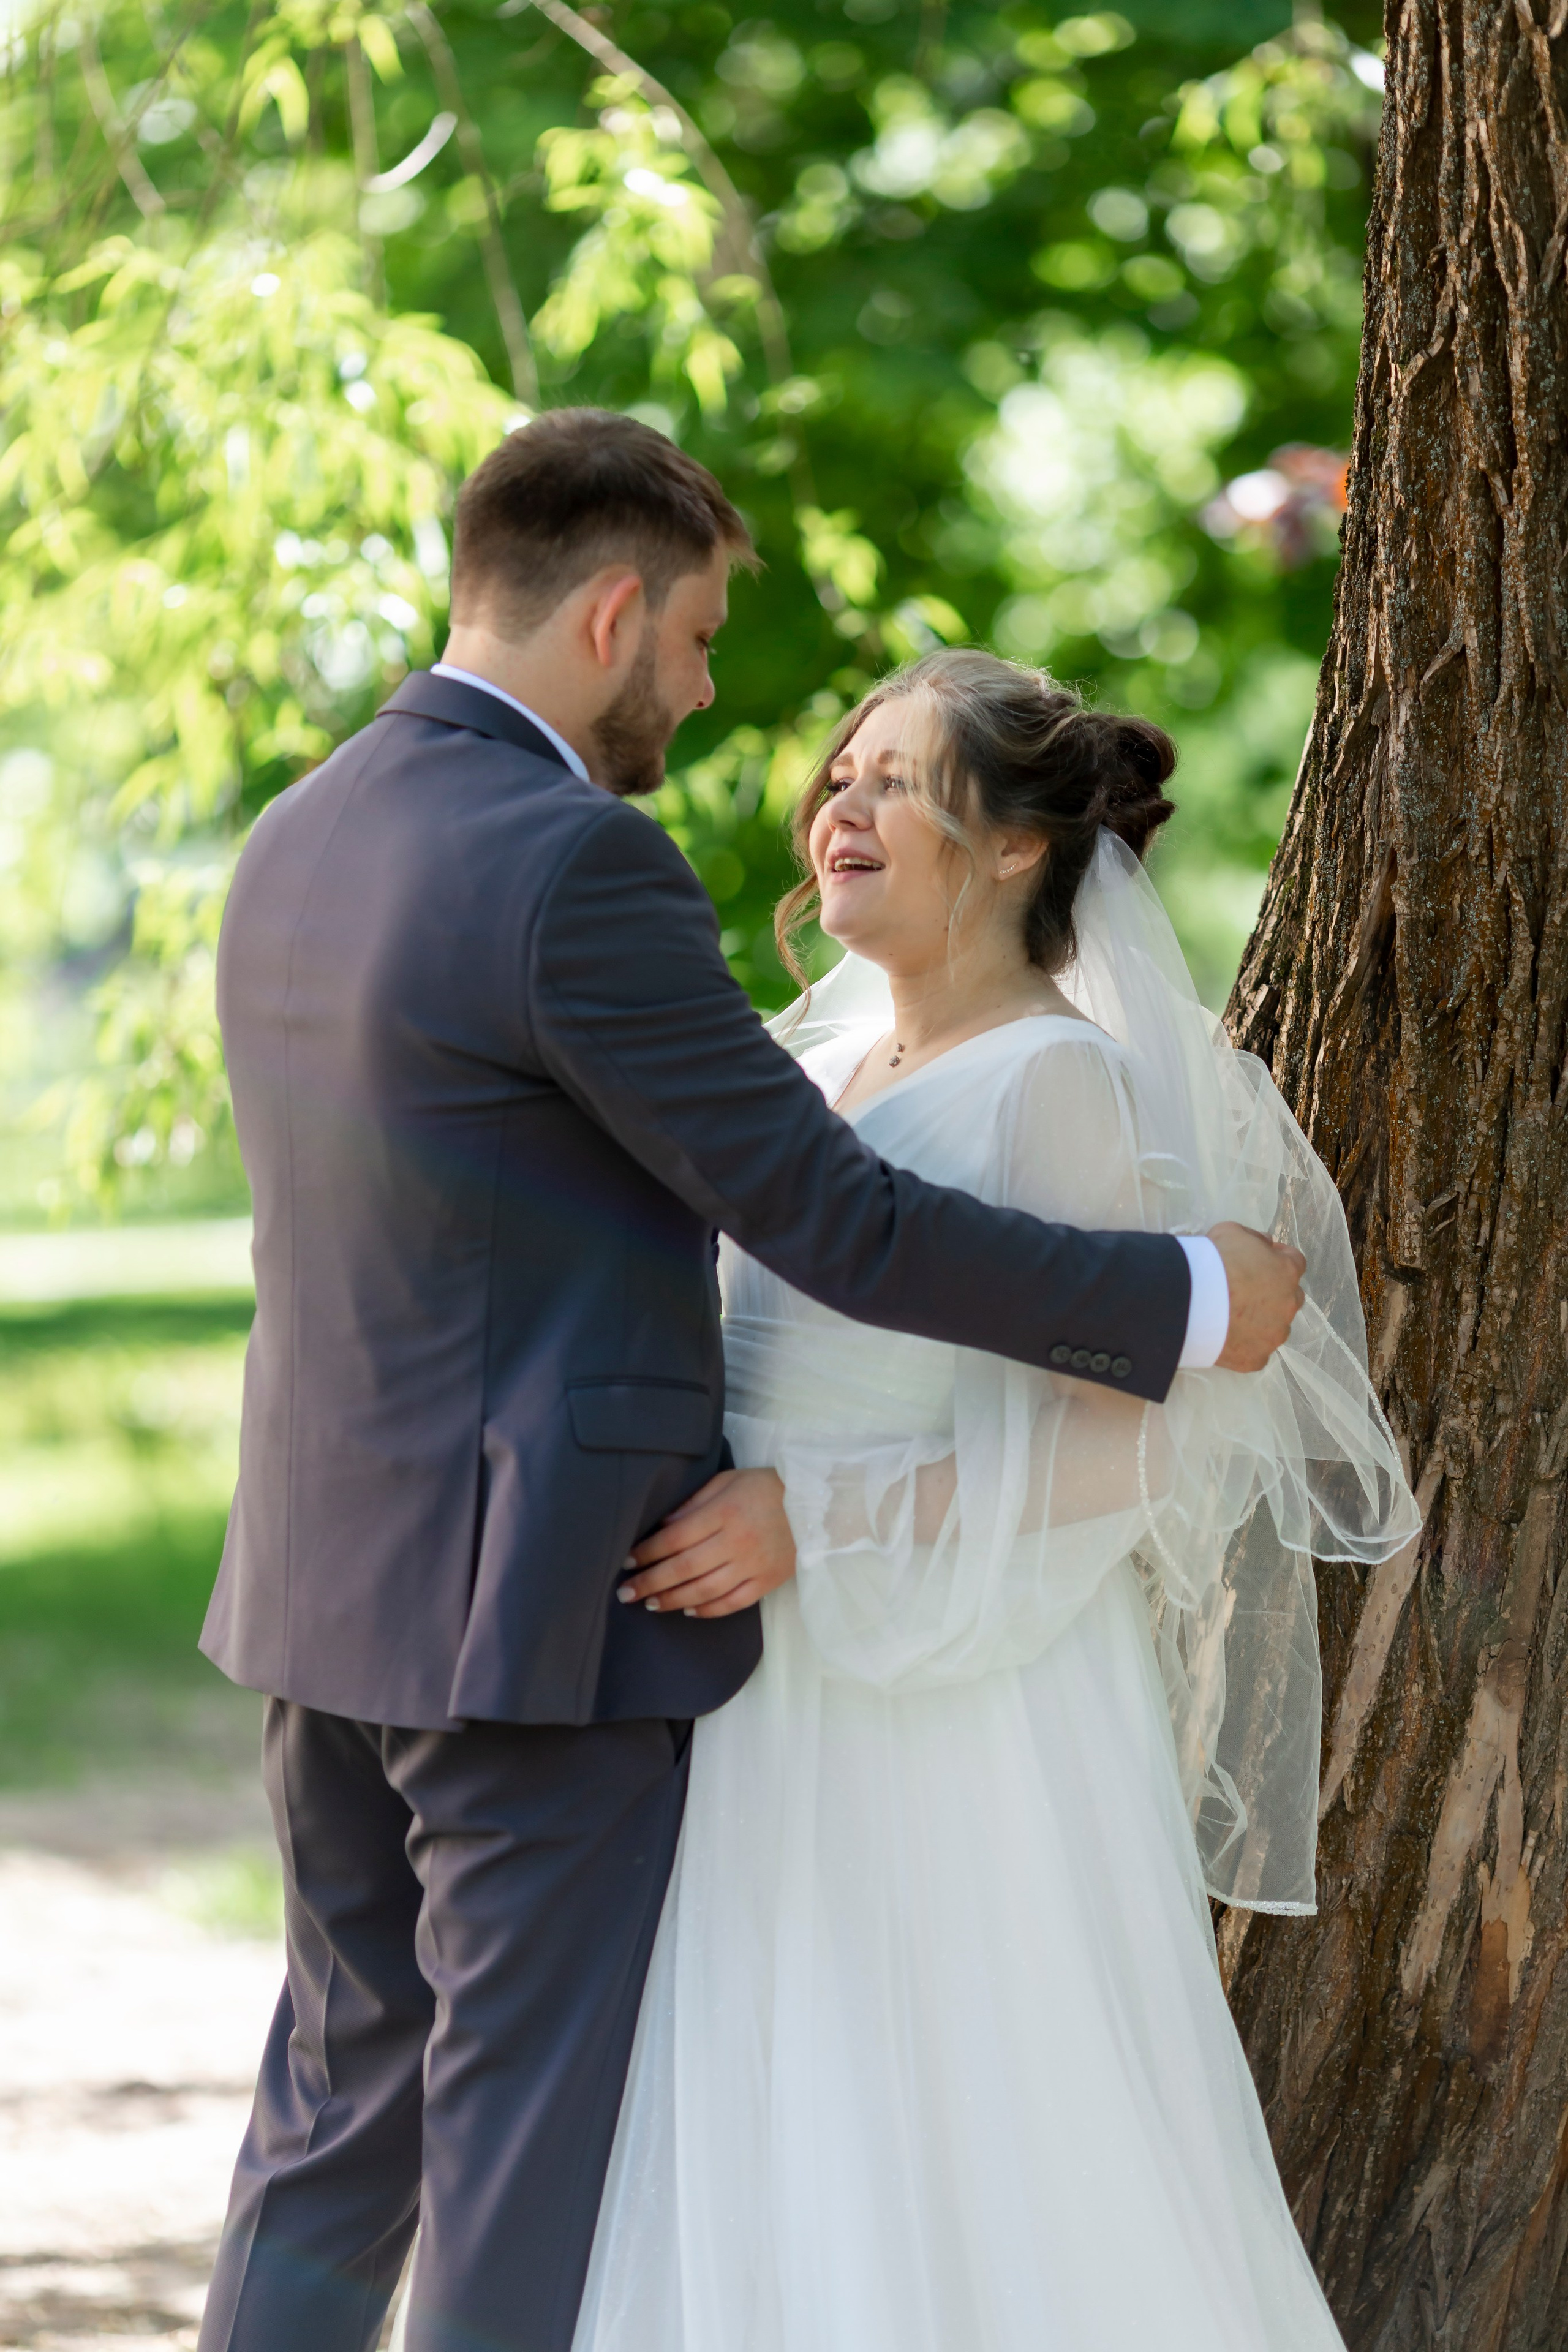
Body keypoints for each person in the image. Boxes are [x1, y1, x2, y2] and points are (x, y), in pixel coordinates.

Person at [195, 412, 1306, 2352]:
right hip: (534, 1622)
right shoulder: (573, 862)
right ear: (614, 612)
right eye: (700, 642)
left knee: (338, 2111)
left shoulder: (304, 833)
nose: (715, 700)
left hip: (329, 1595)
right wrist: (1195, 1297)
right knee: (521, 2162)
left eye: (892, 772)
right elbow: (830, 1224)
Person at [570, 650, 1420, 2352]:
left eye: (895, 777)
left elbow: (1135, 1446)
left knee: (965, 2126)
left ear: (1019, 848)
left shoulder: (1056, 1086)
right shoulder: (814, 1080)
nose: (844, 805)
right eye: (843, 772)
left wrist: (821, 1517)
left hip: (959, 1702)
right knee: (780, 2112)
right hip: (770, 1690)